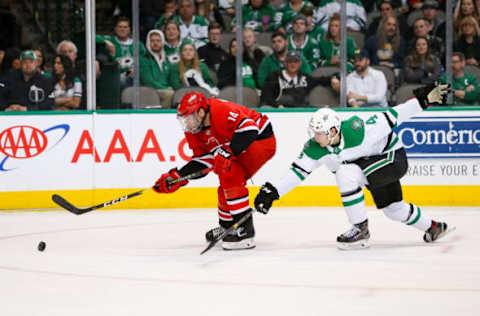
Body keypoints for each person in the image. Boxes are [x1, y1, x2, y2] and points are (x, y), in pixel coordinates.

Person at [253, 83, 451, 249]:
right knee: (393, 210)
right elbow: (297, 172)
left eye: (319, 132)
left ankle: (360, 230)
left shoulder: (359, 130)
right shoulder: (316, 147)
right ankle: (433, 227)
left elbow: (394, 115)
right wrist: (273, 193)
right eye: (314, 132)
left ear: (333, 131)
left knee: (346, 173)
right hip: (372, 166)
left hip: (392, 158)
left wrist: (424, 100)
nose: (315, 136)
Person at [153, 91, 276, 250]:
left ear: (201, 111)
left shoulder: (220, 110)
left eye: (189, 117)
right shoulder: (194, 130)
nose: (187, 123)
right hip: (240, 143)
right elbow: (205, 160)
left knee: (230, 174)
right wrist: (178, 177)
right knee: (226, 180)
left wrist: (228, 152)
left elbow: (250, 129)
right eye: (184, 119)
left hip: (260, 140)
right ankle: (228, 227)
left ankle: (245, 231)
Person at [261, 50, 338, 107]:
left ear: (300, 63)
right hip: (281, 110)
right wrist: (277, 105)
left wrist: (333, 78)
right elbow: (266, 96)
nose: (293, 64)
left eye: (295, 61)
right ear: (285, 63)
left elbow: (320, 80)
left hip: (301, 110)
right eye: (290, 61)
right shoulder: (274, 77)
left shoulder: (304, 78)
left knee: (325, 109)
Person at [95, 16, 147, 90]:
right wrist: (105, 41)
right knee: (122, 78)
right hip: (117, 76)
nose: (122, 29)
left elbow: (145, 62)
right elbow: (91, 37)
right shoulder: (111, 40)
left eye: (125, 27)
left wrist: (137, 69)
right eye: (120, 27)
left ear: (129, 29)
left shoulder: (138, 45)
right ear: (115, 29)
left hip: (135, 75)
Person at [140, 29, 174, 108]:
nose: (155, 43)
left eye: (158, 41)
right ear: (148, 43)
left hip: (165, 90)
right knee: (169, 94)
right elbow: (148, 81)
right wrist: (166, 88)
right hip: (150, 90)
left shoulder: (167, 59)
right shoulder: (144, 59)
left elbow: (171, 78)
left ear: (162, 42)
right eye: (152, 41)